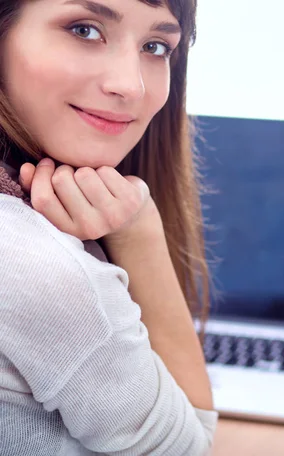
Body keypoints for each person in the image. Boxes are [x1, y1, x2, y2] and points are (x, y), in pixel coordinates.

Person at [0, 0, 217, 454]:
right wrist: (139, 229)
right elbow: (188, 449)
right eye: (84, 30)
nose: (131, 86)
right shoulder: (38, 267)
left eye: (155, 46)